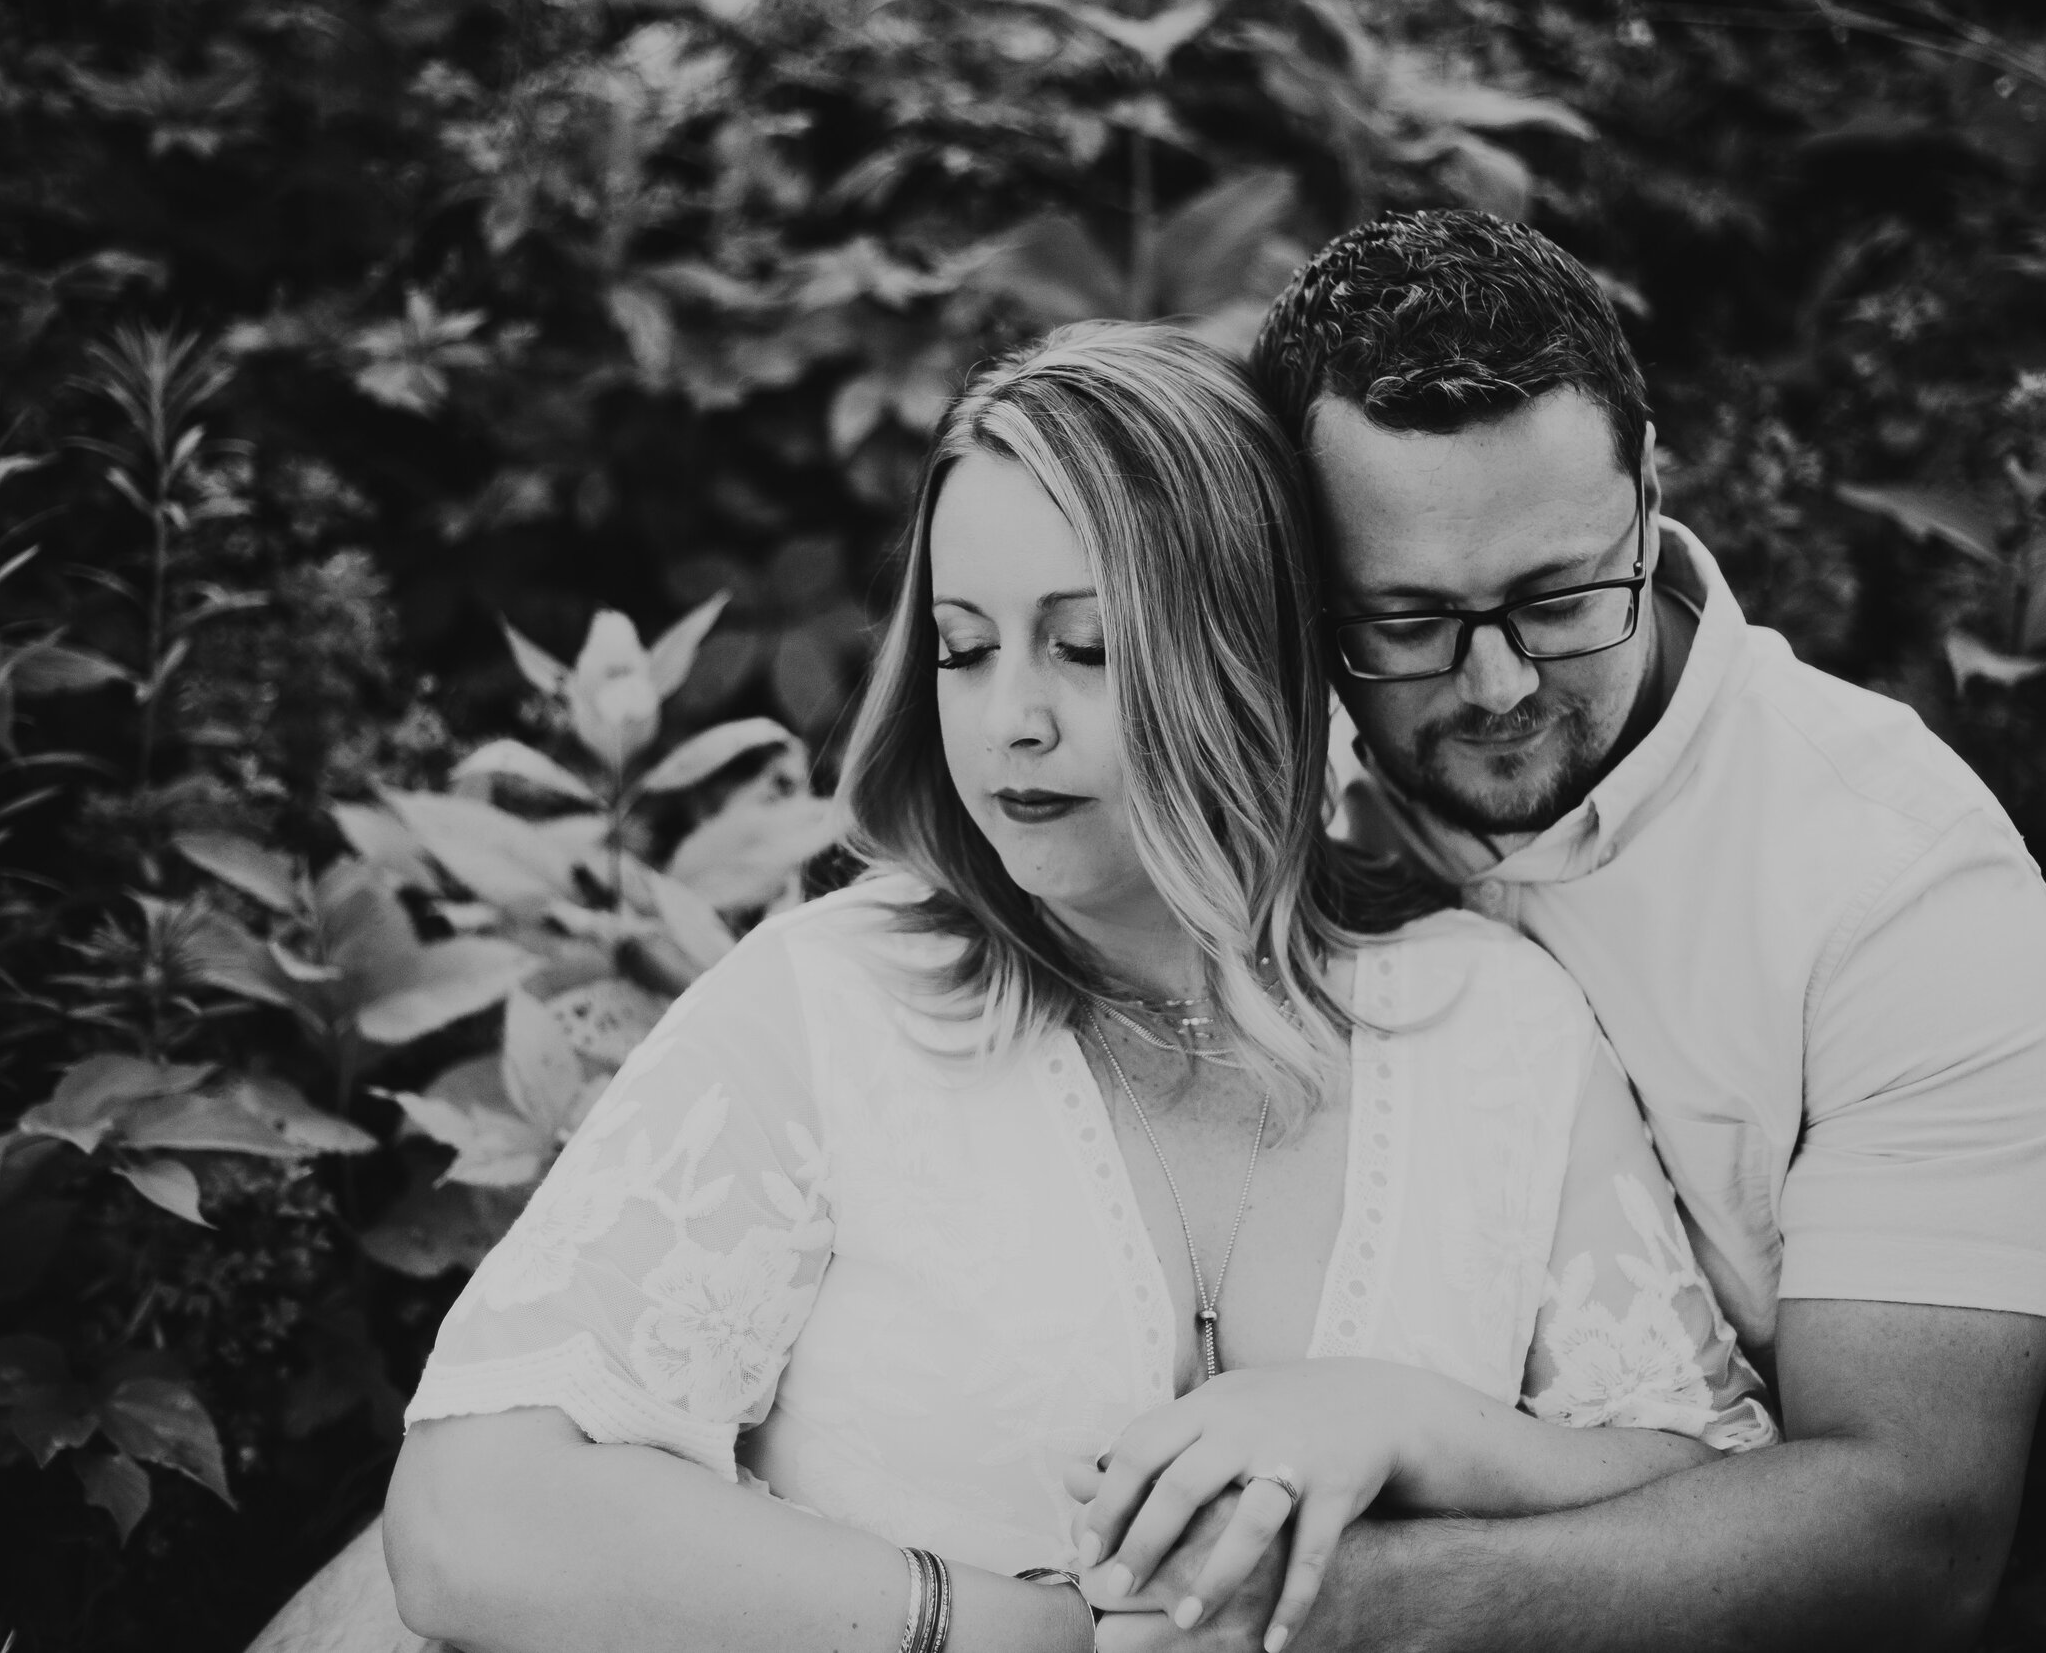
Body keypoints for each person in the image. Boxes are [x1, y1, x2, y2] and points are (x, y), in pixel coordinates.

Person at [370, 322, 1771, 1653]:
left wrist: (1408, 1424)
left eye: (1083, 648)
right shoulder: (831, 1006)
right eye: (965, 647)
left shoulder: (1493, 1024)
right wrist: (1022, 1635)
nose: (1007, 719)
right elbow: (470, 1511)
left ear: (1249, 654)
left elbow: (1709, 1492)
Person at [1074, 209, 2046, 1651]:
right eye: (1410, 619)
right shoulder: (1250, 792)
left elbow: (1917, 1531)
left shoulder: (1900, 887)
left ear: (1651, 492)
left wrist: (1342, 1609)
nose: (1494, 686)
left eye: (1558, 599)